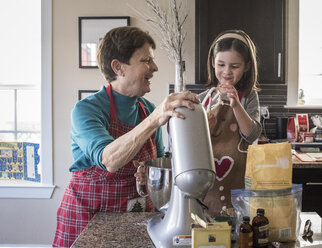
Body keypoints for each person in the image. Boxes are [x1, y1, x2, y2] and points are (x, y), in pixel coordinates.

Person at [52, 26, 200, 247]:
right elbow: (108, 160)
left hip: (135, 218)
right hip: (88, 219)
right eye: (146, 60)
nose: (155, 67)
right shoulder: (86, 110)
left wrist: (148, 174)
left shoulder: (147, 109)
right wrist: (155, 118)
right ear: (118, 67)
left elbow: (159, 165)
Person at [198, 29, 262, 215]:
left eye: (234, 66)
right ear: (213, 63)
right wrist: (203, 129)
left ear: (247, 66)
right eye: (221, 64)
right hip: (208, 184)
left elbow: (252, 134)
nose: (226, 72)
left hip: (239, 183)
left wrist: (236, 105)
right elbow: (191, 145)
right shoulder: (202, 99)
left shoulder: (249, 97)